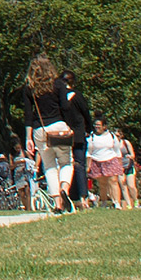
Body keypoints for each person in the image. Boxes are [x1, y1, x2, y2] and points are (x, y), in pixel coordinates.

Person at [22, 55, 88, 214]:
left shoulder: (29, 88)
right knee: (66, 162)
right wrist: (70, 127)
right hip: (59, 126)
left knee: (49, 166)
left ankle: (57, 203)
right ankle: (64, 187)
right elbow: (65, 108)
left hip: (40, 130)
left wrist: (28, 138)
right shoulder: (58, 85)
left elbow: (28, 115)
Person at [84, 120, 127, 209]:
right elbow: (89, 152)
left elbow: (117, 151)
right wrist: (88, 165)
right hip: (97, 161)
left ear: (104, 126)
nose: (97, 127)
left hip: (111, 160)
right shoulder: (92, 137)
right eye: (95, 125)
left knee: (113, 181)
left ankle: (116, 203)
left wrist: (120, 165)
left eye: (99, 125)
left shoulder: (111, 136)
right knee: (102, 183)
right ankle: (104, 202)